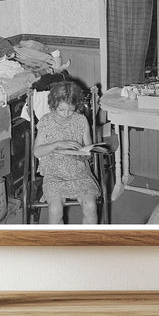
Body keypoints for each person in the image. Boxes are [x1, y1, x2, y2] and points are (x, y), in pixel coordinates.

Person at [33, 81, 100, 224]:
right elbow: (37, 152)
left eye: (71, 109)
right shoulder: (46, 121)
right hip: (54, 171)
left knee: (91, 206)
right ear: (53, 104)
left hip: (78, 170)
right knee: (55, 209)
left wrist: (85, 154)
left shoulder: (81, 120)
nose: (66, 114)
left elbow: (88, 148)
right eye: (61, 110)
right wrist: (57, 144)